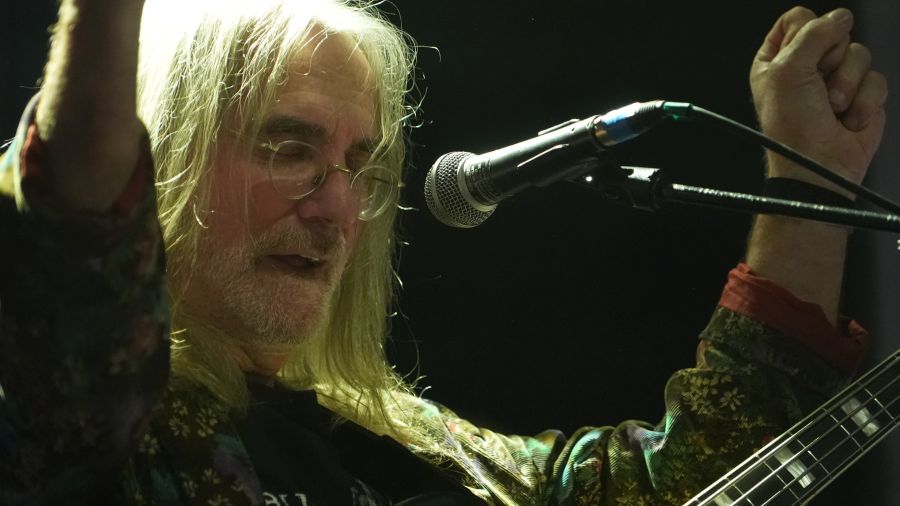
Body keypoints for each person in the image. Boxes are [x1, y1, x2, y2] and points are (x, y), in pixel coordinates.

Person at [0, 0, 885, 504]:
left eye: (361, 164)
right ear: (169, 152)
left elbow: (692, 479)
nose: (338, 206)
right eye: (288, 146)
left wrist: (812, 180)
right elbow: (75, 236)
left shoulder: (390, 432)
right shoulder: (92, 412)